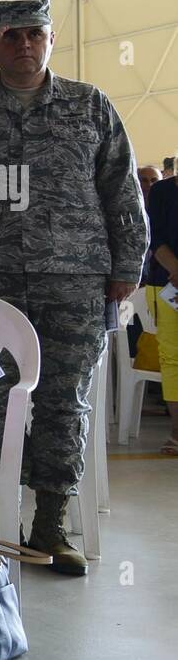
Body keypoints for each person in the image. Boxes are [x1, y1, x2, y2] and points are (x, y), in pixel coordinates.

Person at [0, 0, 148, 576]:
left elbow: (121, 187)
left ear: (51, 40)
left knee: (63, 401)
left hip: (74, 277)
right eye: (10, 36)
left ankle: (50, 525)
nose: (23, 45)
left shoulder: (88, 105)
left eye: (34, 34)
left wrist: (127, 266)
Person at [144, 170, 178, 453]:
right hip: (168, 282)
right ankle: (177, 432)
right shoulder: (162, 192)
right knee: (173, 358)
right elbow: (154, 238)